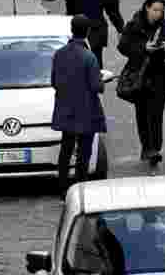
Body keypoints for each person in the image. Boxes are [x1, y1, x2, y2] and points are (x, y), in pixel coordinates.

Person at [117, 0, 165, 165]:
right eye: (155, 10)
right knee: (142, 113)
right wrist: (143, 47)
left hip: (160, 76)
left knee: (156, 113)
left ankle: (155, 148)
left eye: (161, 10)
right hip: (139, 75)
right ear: (147, 7)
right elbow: (123, 47)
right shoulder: (134, 25)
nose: (158, 14)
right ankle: (146, 146)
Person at [50, 15, 106, 196]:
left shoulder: (59, 54)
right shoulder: (89, 57)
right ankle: (81, 189)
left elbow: (54, 81)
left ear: (72, 30)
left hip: (66, 110)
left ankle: (62, 188)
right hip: (86, 111)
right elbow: (96, 86)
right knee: (84, 153)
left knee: (66, 150)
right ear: (87, 31)